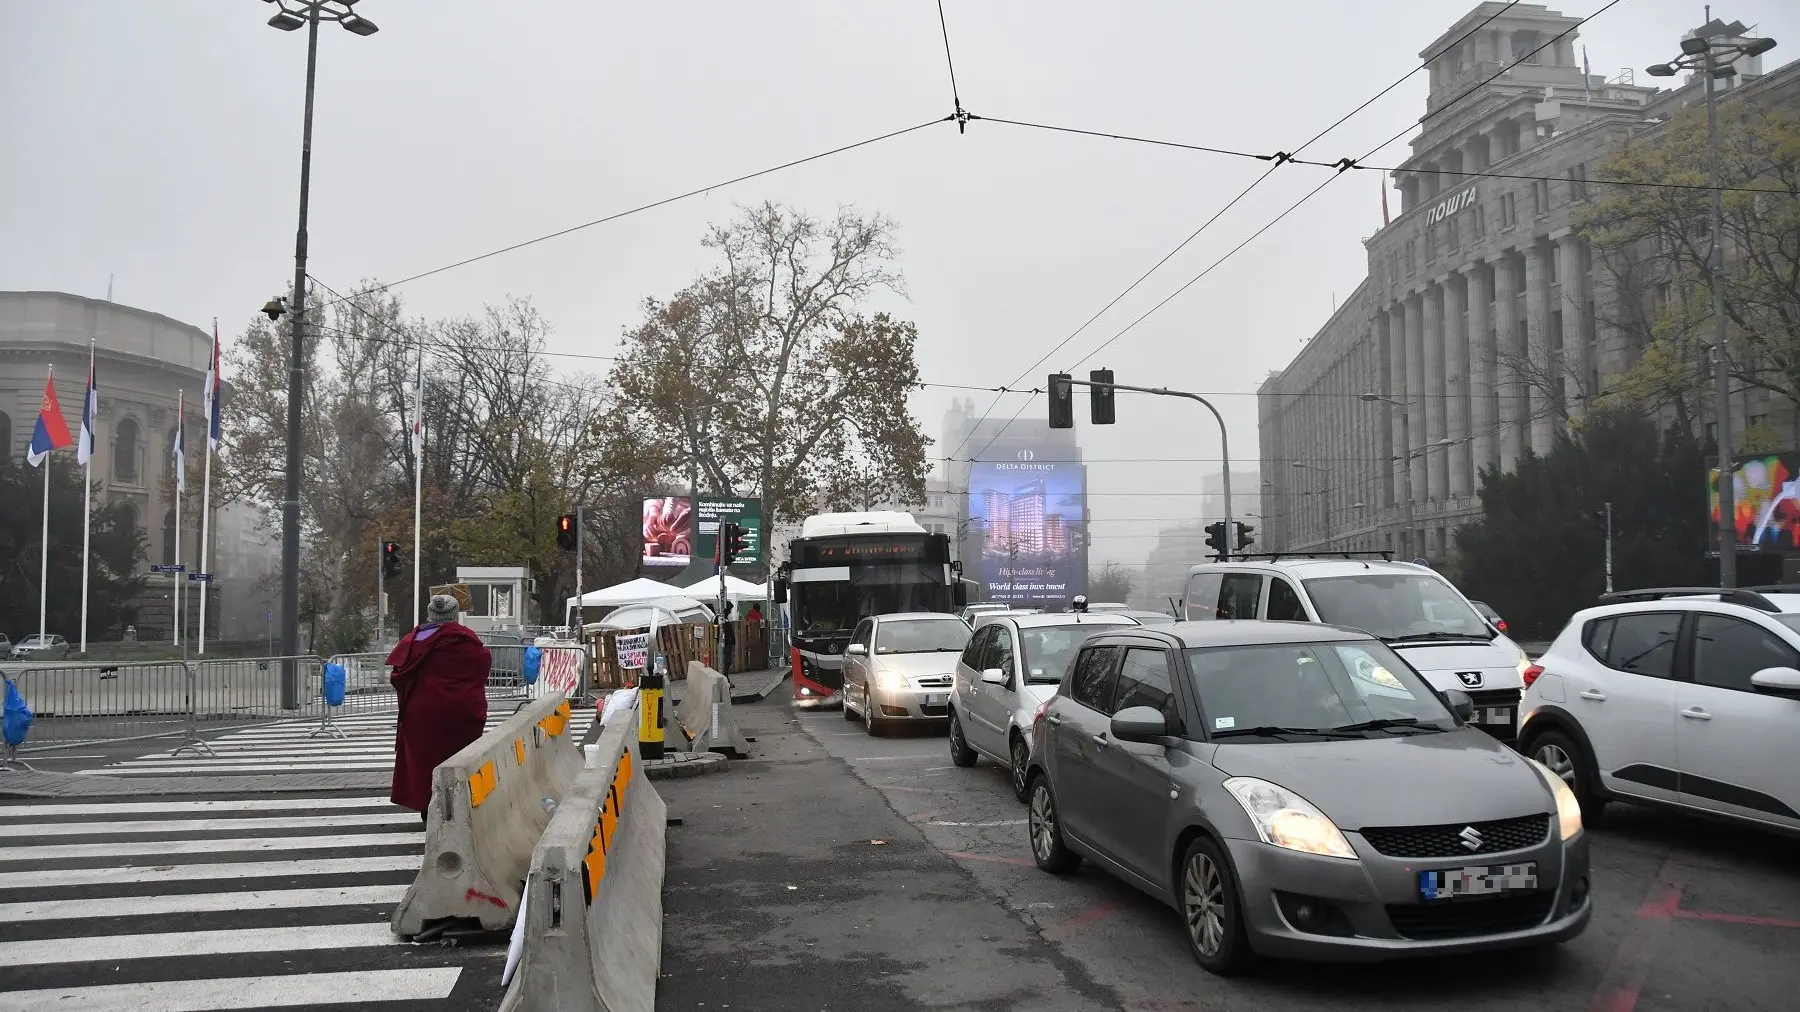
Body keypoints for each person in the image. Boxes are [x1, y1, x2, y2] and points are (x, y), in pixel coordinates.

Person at [388, 595, 490, 824]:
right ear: (454, 615)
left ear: (430, 614)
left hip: (422, 712)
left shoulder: (413, 640)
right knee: (461, 759)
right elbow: (482, 667)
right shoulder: (466, 639)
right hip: (461, 711)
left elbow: (398, 676)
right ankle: (461, 806)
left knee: (425, 761)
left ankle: (428, 807)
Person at [720, 601, 736, 676]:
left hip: (728, 643)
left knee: (728, 661)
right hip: (725, 643)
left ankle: (726, 677)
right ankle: (725, 678)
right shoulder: (722, 619)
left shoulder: (726, 619)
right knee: (725, 661)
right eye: (730, 609)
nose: (730, 611)